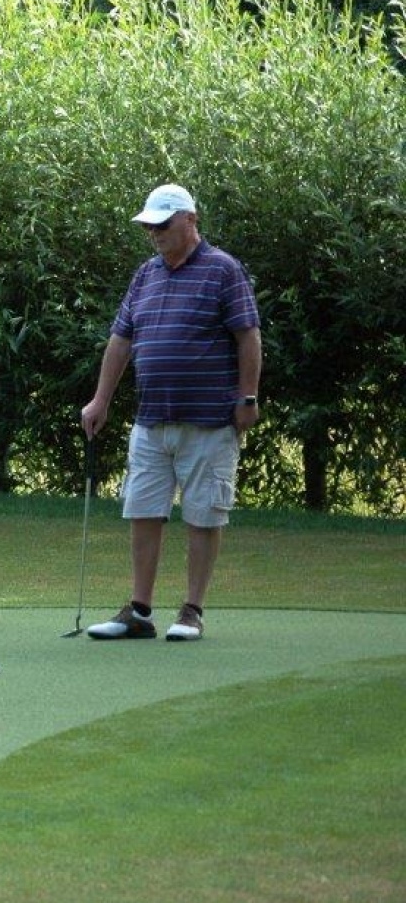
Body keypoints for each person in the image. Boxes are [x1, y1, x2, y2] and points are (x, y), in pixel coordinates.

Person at [79, 184, 262, 641]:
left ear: (189, 220)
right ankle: (139, 611)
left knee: (203, 514)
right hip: (152, 418)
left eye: (162, 224)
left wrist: (248, 397)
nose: (155, 233)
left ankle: (191, 611)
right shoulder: (146, 274)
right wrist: (100, 400)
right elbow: (121, 340)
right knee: (142, 509)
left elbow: (248, 335)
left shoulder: (223, 269)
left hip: (209, 420)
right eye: (149, 226)